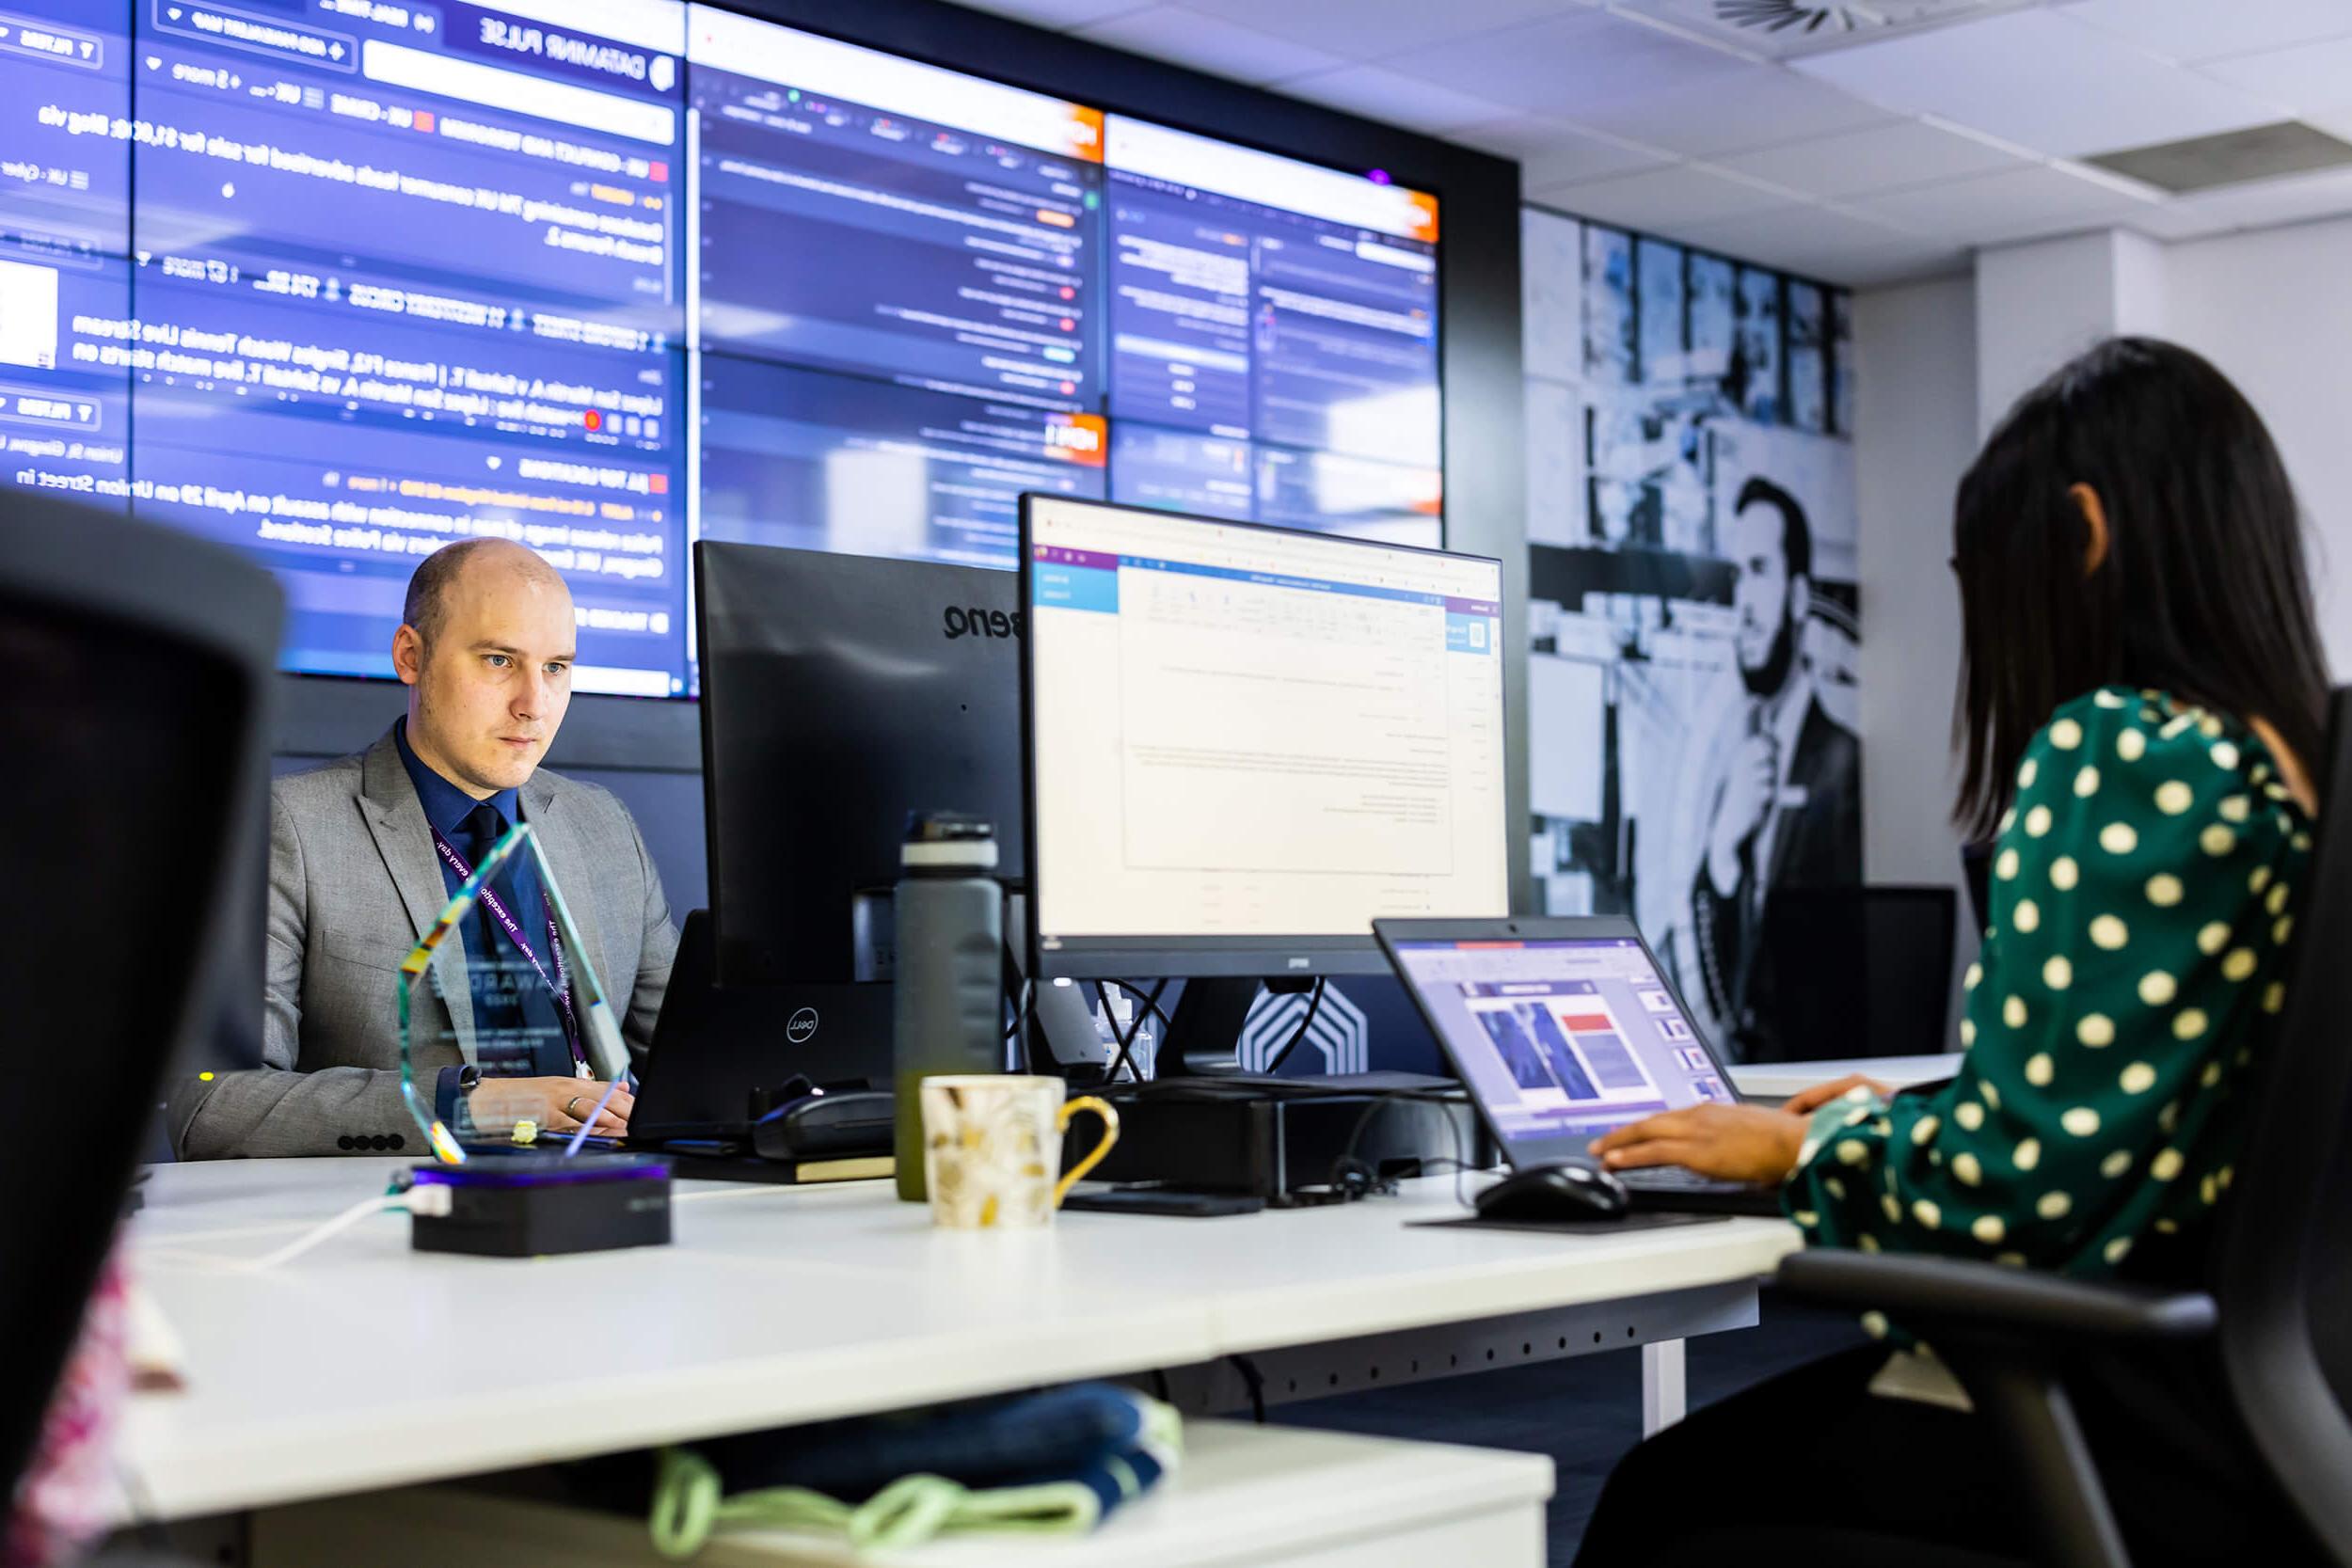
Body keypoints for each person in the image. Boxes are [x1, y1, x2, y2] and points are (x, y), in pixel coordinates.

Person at [1575, 339, 2330, 1565]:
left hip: (2114, 1421)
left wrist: (1800, 1141)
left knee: (1656, 1501)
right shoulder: (2288, 768)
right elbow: (2157, 1116)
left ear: (2080, 533)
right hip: (2267, 1436)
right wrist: (1926, 1106)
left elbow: (2012, 1194)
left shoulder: (2127, 752)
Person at [173, 539, 680, 1158]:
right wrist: (477, 1106)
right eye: (499, 660)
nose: (534, 705)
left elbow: (696, 1071)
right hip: (401, 1221)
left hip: (606, 1203)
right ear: (411, 656)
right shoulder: (293, 828)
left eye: (555, 668)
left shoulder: (605, 826)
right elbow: (211, 1105)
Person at [1683, 476, 1861, 1059]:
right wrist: (1722, 855)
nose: (1743, 604)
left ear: (1798, 595)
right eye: (1737, 576)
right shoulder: (1737, 769)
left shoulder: (1841, 764)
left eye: (1760, 570)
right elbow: (1731, 991)